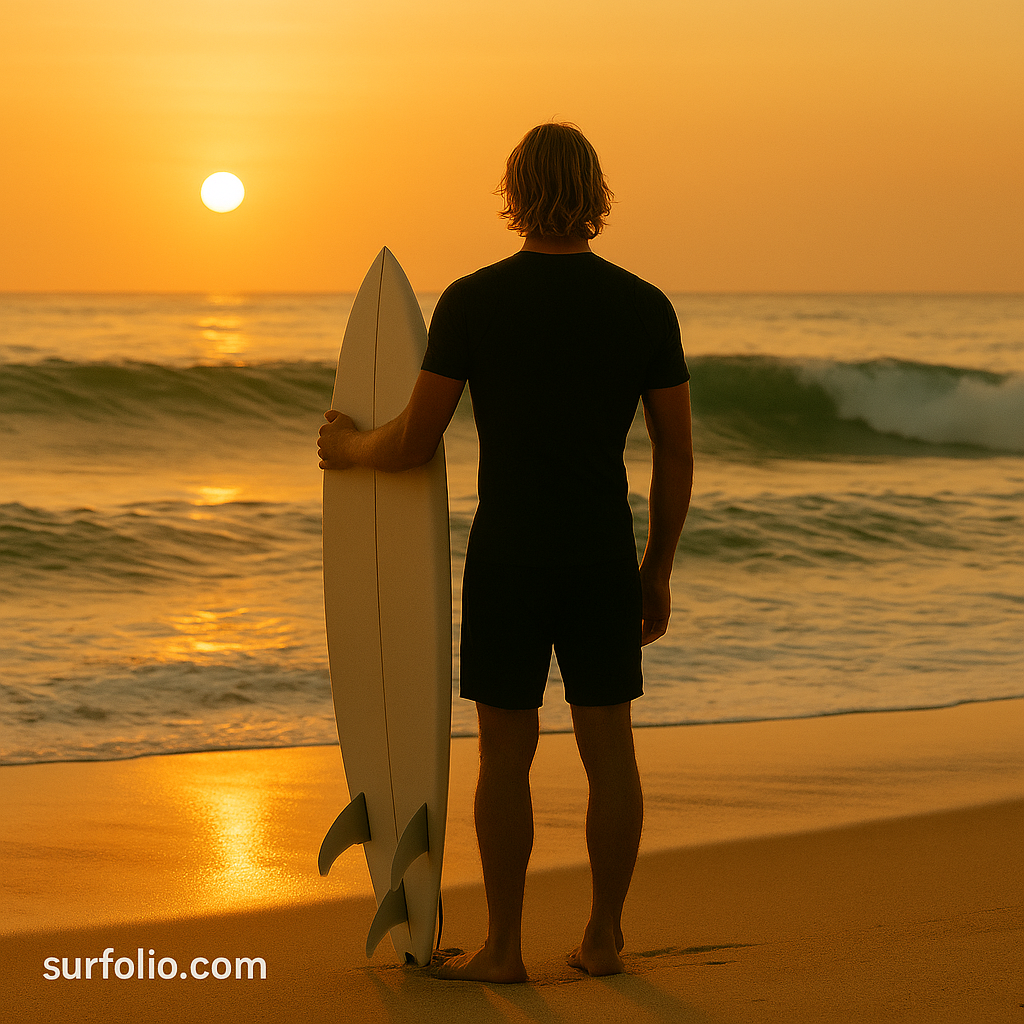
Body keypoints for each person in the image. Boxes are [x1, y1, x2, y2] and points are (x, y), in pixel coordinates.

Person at [317, 122, 693, 982]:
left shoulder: (474, 300)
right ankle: (602, 938)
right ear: (595, 192)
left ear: (514, 192)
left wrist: (350, 449)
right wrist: (656, 565)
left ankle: (506, 949)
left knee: (504, 759)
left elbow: (414, 441)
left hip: (510, 557)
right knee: (611, 754)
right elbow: (676, 450)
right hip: (601, 554)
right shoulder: (643, 305)